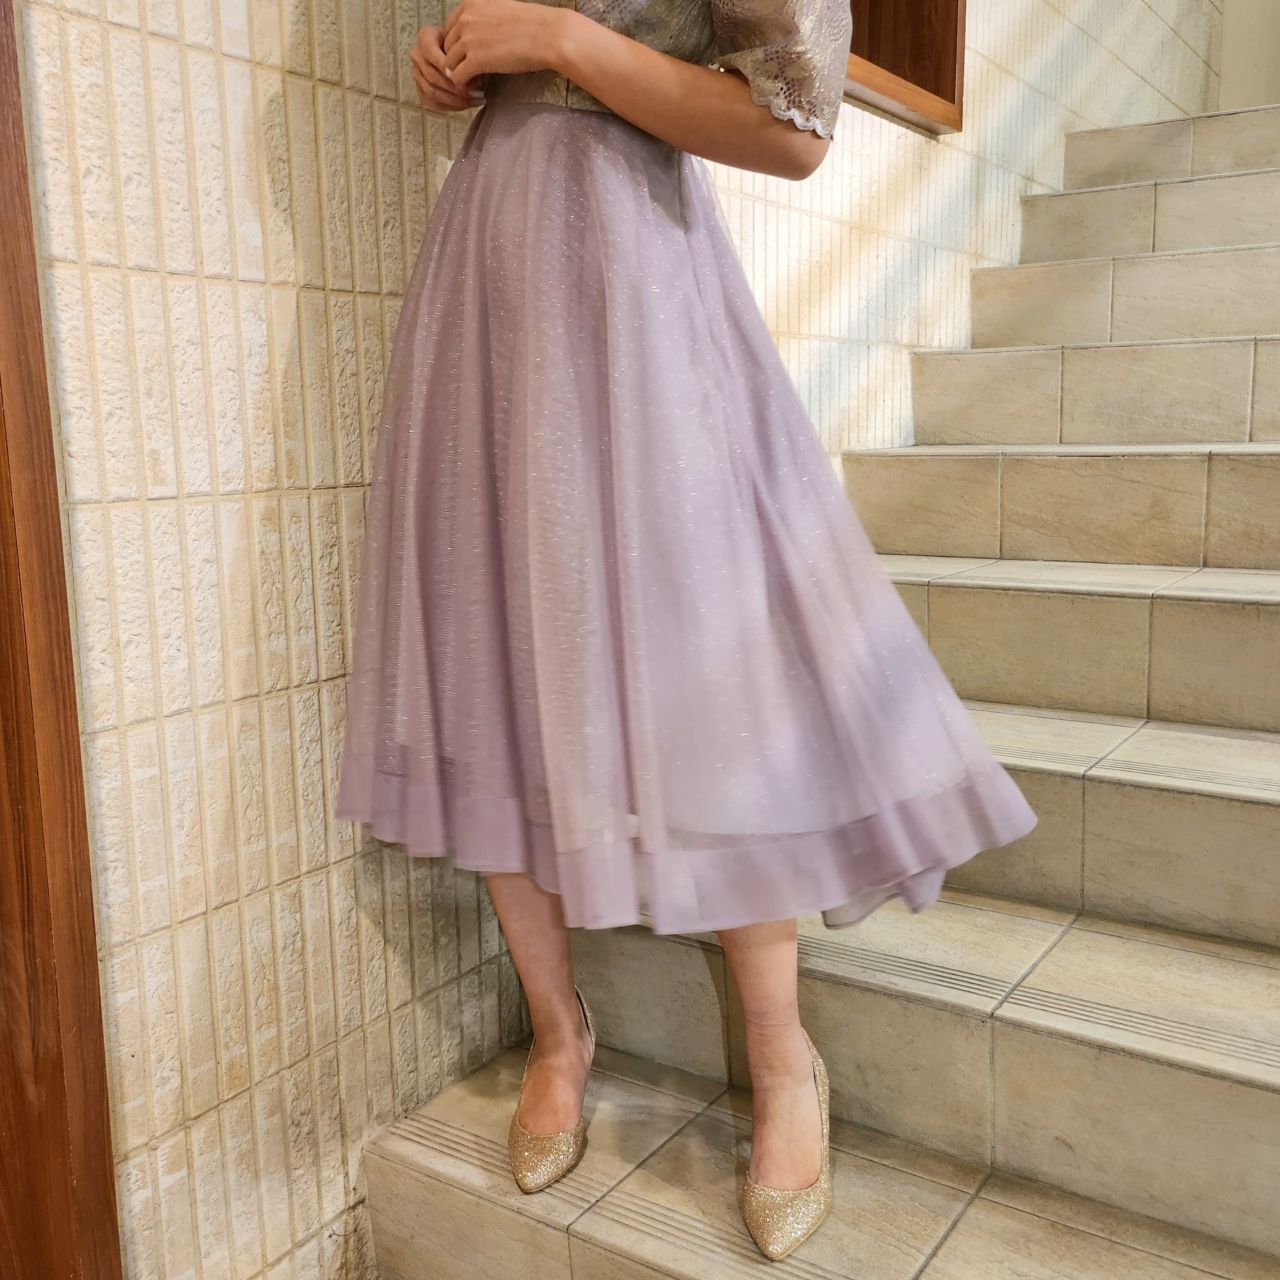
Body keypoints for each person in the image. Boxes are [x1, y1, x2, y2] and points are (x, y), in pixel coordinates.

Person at [334, 0, 1037, 1260]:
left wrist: (556, 39)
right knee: (490, 629)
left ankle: (781, 1058)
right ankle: (559, 1029)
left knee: (707, 648)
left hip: (627, 261)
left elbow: (792, 130)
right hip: (486, 251)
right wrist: (455, 61)